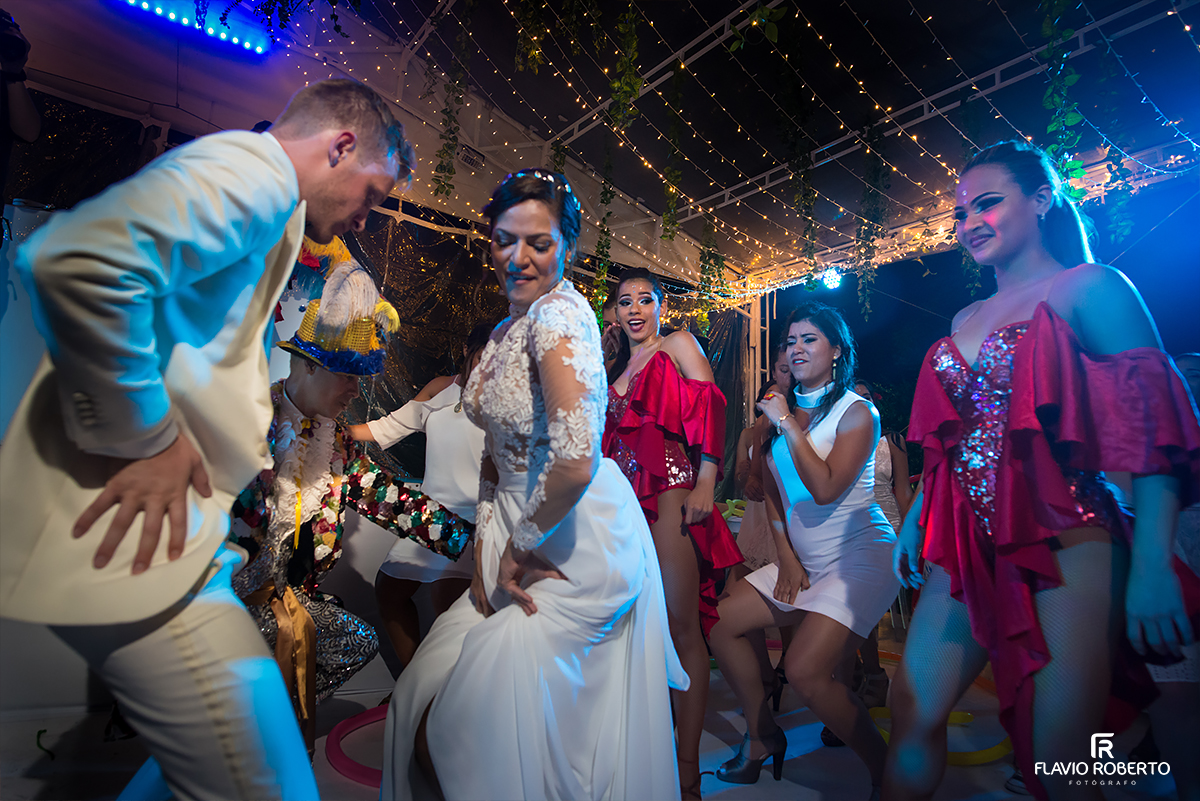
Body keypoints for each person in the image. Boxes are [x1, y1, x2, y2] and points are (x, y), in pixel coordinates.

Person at [0, 78, 415, 800]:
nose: (363, 216)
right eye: (372, 195)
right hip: (142, 548)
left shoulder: (276, 209)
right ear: (341, 146)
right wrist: (151, 438)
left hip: (181, 552)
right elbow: (73, 262)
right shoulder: (255, 174)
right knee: (272, 786)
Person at [884, 140, 1200, 801]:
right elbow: (952, 442)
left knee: (1061, 754)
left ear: (1040, 198)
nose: (969, 221)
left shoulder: (1089, 287)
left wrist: (1149, 566)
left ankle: (1138, 763)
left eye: (988, 202)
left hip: (1069, 536)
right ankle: (1139, 757)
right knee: (913, 705)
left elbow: (1155, 431)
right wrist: (916, 520)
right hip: (967, 543)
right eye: (961, 211)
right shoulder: (963, 317)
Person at [381, 169, 686, 801]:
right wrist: (486, 555)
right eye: (503, 239)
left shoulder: (560, 318)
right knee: (424, 703)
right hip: (516, 536)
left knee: (478, 727)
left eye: (538, 243)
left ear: (567, 247)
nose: (517, 257)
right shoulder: (501, 333)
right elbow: (494, 456)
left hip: (570, 540)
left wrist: (515, 550)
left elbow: (574, 462)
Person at [709, 302, 898, 797]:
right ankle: (761, 735)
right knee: (721, 623)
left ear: (837, 350)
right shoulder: (781, 410)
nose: (796, 348)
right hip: (805, 558)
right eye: (790, 340)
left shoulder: (857, 413)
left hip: (861, 555)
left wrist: (788, 422)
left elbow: (827, 489)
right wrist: (786, 557)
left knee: (806, 671)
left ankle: (887, 772)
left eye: (809, 339)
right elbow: (771, 492)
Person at [602, 266, 744, 799]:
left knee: (683, 626)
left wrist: (707, 480)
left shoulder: (678, 344)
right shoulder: (616, 364)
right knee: (635, 629)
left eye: (644, 299)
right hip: (621, 508)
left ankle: (687, 772)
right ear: (615, 312)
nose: (634, 309)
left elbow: (711, 409)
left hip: (671, 493)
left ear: (661, 306)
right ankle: (648, 753)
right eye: (624, 302)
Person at [348, 322, 493, 669]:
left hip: (472, 522)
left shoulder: (507, 400)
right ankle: (415, 682)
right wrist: (326, 428)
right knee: (388, 592)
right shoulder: (441, 389)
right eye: (483, 353)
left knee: (451, 617)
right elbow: (388, 427)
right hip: (428, 515)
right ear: (466, 350)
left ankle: (445, 697)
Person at [731, 343, 792, 584]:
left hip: (788, 509)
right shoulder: (753, 431)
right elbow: (743, 478)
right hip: (758, 507)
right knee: (744, 575)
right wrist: (747, 479)